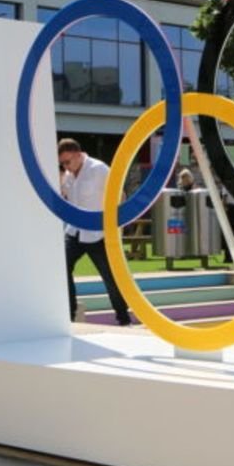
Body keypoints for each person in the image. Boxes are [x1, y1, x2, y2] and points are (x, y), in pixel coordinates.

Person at [58, 138, 131, 326]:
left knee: (110, 277)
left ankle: (123, 318)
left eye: (67, 161)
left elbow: (120, 196)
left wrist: (114, 227)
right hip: (74, 232)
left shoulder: (99, 169)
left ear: (78, 154)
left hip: (99, 234)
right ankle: (70, 315)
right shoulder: (68, 175)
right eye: (63, 163)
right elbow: (65, 197)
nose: (66, 166)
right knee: (61, 267)